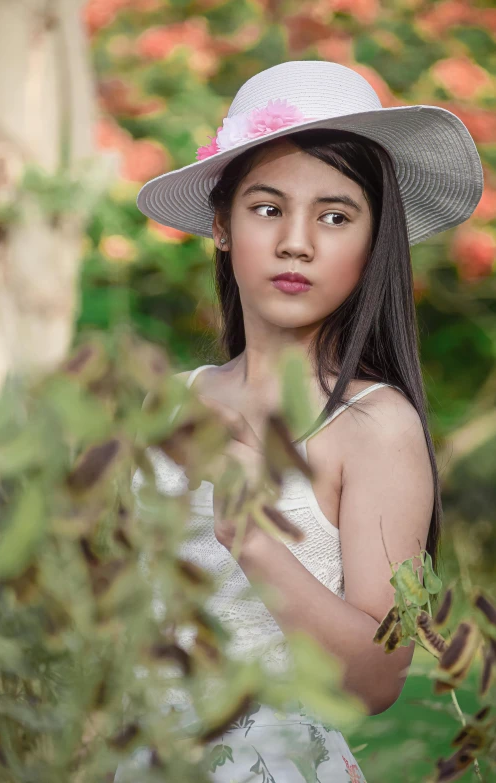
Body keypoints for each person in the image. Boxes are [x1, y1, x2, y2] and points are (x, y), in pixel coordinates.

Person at [128, 60, 483, 782]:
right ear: (223, 226)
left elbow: (378, 682)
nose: (297, 242)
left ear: (371, 242)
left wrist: (248, 531)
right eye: (267, 208)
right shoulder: (165, 401)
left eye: (335, 215)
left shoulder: (373, 424)